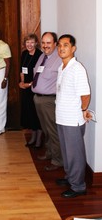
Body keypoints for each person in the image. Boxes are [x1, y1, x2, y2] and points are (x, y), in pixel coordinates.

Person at [55, 34, 91, 198]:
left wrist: (83, 111)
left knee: (75, 154)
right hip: (61, 117)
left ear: (73, 49)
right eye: (60, 45)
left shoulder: (77, 69)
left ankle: (78, 186)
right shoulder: (62, 68)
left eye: (66, 45)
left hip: (72, 119)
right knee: (67, 152)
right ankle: (70, 178)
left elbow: (85, 95)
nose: (62, 48)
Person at [31, 32, 63, 171]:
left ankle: (58, 160)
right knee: (46, 130)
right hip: (38, 99)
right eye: (43, 43)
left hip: (49, 101)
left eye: (48, 43)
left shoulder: (60, 59)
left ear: (55, 44)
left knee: (53, 131)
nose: (45, 46)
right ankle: (50, 153)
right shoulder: (42, 56)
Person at [19, 33, 42, 148]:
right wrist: (22, 82)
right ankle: (33, 136)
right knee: (29, 113)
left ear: (36, 43)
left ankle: (38, 139)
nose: (29, 44)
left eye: (32, 42)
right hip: (26, 88)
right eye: (27, 42)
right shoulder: (24, 54)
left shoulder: (40, 56)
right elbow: (22, 70)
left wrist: (29, 84)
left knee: (35, 113)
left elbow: (39, 75)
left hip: (35, 88)